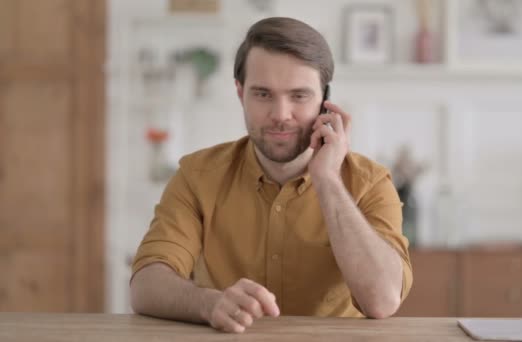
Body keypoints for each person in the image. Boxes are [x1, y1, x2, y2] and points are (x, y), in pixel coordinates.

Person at [130, 16, 413, 333]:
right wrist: (209, 304)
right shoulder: (197, 176)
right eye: (263, 94)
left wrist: (328, 179)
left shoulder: (370, 183)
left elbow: (383, 300)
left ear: (325, 102)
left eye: (299, 96)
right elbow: (145, 285)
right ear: (240, 93)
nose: (280, 115)